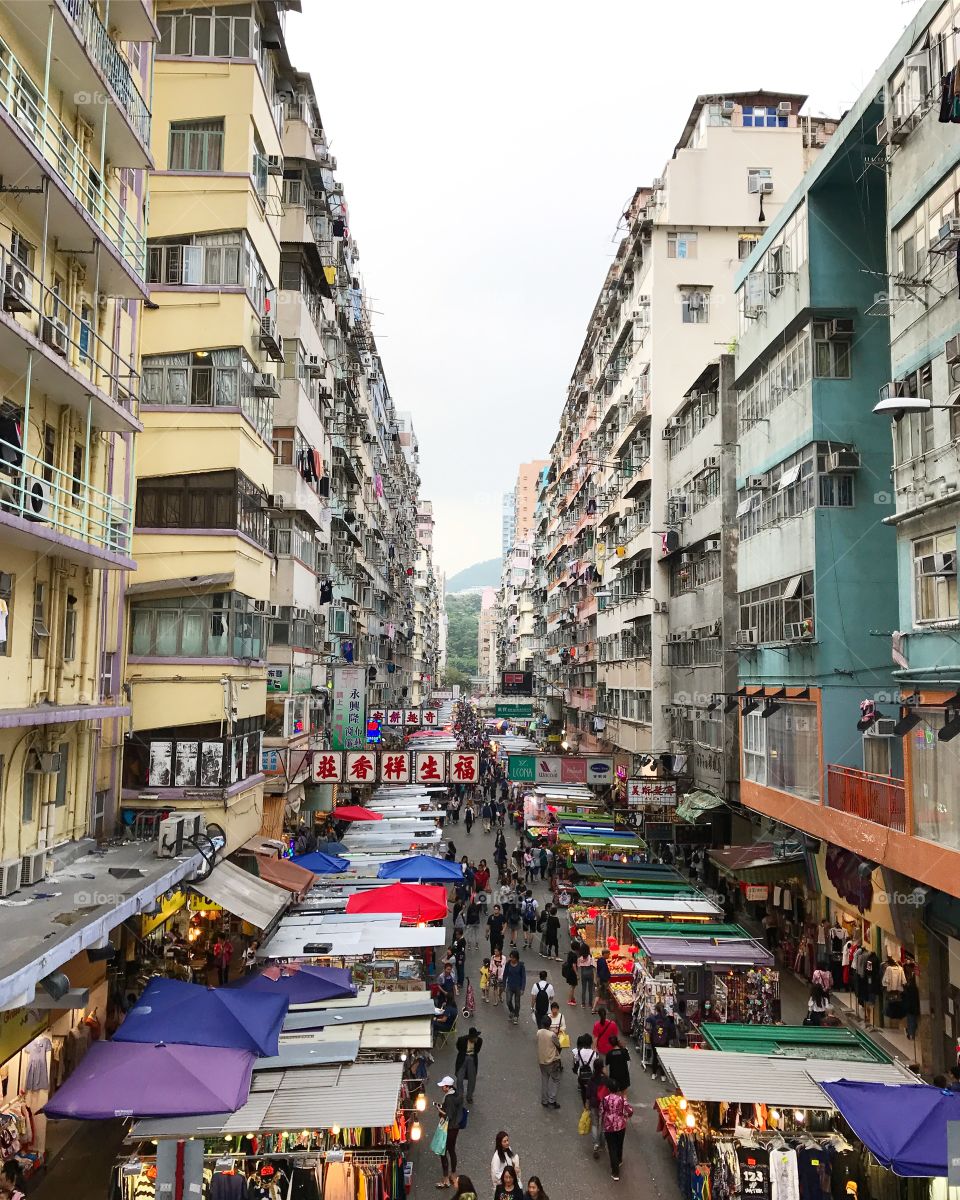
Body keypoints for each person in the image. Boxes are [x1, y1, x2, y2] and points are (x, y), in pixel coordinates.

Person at [600, 1079, 634, 1180]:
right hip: (621, 1126)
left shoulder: (605, 1099)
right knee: (619, 1144)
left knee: (612, 1148)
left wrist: (603, 1122)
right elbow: (630, 1110)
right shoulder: (622, 1100)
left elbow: (601, 1111)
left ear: (609, 1089)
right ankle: (619, 1160)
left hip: (609, 1127)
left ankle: (615, 1173)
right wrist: (627, 1116)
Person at [435, 1076, 464, 1188]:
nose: (442, 1088)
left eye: (443, 1086)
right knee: (451, 1150)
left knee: (443, 1151)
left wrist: (439, 1110)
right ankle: (453, 1174)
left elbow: (448, 1115)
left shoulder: (449, 1098)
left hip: (448, 1128)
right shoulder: (456, 1094)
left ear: (448, 1087)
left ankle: (446, 1179)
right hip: (455, 1128)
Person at [643, 1002, 677, 1081]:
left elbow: (647, 1026)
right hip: (665, 1041)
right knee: (663, 1057)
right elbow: (672, 1030)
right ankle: (663, 1075)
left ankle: (654, 1073)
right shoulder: (668, 1019)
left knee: (655, 1056)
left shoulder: (652, 1018)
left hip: (654, 1040)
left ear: (656, 1009)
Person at [586, 1058, 610, 1160]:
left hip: (594, 1103)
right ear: (602, 1067)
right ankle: (602, 1143)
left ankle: (595, 1144)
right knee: (604, 1124)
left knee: (595, 1124)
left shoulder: (591, 1079)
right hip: (604, 1104)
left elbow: (588, 1094)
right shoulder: (606, 1079)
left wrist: (587, 1103)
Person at [536, 1015, 562, 1108]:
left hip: (541, 1060)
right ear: (550, 1024)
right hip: (552, 1061)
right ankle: (552, 1099)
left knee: (544, 1079)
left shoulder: (538, 1032)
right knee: (555, 1079)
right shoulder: (552, 1035)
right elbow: (558, 1045)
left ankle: (544, 1100)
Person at [455, 1026, 483, 1104]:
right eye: (474, 1038)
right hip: (463, 1058)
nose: (476, 1039)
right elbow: (458, 1047)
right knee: (459, 1078)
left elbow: (477, 1050)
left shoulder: (479, 1041)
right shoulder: (462, 1040)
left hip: (472, 1059)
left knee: (472, 1078)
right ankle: (460, 1095)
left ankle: (469, 1096)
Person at [573, 1033, 598, 1106]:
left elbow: (576, 1061)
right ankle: (590, 1104)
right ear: (591, 1043)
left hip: (581, 1075)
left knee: (583, 1091)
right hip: (591, 1076)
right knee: (591, 1091)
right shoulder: (595, 1054)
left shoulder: (579, 1052)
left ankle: (585, 1105)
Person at [503, 950, 527, 1024]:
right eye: (511, 957)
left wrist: (522, 988)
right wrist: (504, 985)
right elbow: (505, 975)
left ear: (516, 958)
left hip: (518, 987)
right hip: (509, 985)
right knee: (508, 1001)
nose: (511, 959)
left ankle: (516, 1016)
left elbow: (523, 977)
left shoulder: (521, 966)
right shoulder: (508, 964)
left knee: (517, 1003)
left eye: (513, 958)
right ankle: (512, 1011)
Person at [903, 961, 921, 1041]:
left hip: (911, 1006)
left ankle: (911, 1033)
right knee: (911, 1020)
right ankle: (911, 1034)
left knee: (911, 1020)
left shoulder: (911, 985)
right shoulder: (912, 984)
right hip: (912, 1006)